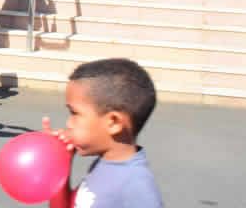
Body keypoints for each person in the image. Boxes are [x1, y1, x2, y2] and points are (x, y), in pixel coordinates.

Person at [42, 59, 163, 208]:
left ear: (113, 122)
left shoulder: (137, 187)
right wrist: (60, 163)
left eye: (74, 113)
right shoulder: (105, 163)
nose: (68, 123)